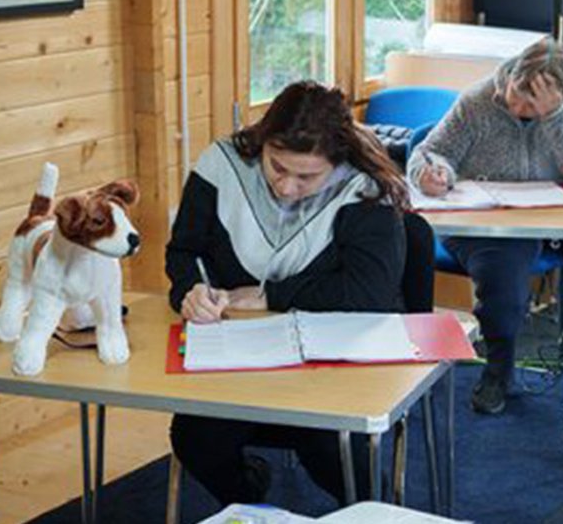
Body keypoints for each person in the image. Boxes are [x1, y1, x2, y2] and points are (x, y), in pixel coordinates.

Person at [165, 80, 411, 507]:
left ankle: (377, 512)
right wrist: (191, 291)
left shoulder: (366, 188)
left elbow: (367, 292)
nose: (286, 187)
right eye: (276, 166)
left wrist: (271, 295)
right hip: (238, 357)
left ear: (336, 163)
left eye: (307, 176)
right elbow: (184, 251)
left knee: (334, 453)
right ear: (263, 142)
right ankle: (251, 496)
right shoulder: (221, 165)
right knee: (195, 440)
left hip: (334, 364)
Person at [408, 38, 563, 414]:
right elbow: (429, 152)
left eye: (531, 105)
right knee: (503, 283)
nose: (517, 107)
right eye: (516, 94)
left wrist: (556, 117)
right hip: (495, 215)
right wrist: (433, 172)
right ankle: (498, 371)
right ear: (511, 75)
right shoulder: (478, 101)